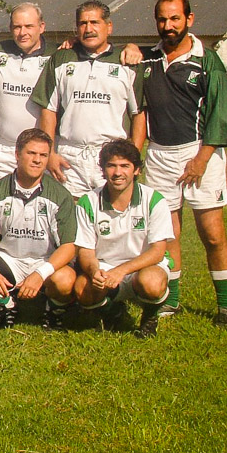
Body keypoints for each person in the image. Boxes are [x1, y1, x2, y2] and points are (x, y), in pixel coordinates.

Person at [135, 0, 227, 326]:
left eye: (175, 19)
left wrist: (202, 159)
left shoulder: (207, 60)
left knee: (212, 235)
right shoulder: (146, 60)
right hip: (160, 156)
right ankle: (172, 302)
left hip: (198, 153)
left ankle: (226, 307)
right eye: (162, 20)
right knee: (169, 235)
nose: (168, 26)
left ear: (189, 20)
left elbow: (220, 115)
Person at [0, 128, 77, 331]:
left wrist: (40, 274)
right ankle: (6, 304)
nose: (37, 160)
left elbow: (68, 247)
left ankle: (53, 310)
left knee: (65, 280)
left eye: (43, 155)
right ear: (17, 155)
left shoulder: (60, 195)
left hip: (45, 260)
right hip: (10, 260)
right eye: (31, 153)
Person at [31, 0, 145, 198]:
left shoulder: (127, 62)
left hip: (112, 154)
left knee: (111, 219)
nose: (88, 29)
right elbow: (48, 110)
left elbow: (139, 114)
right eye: (83, 24)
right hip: (70, 156)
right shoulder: (62, 59)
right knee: (70, 221)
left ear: (109, 26)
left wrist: (132, 157)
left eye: (94, 22)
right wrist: (50, 153)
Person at [73, 140, 174, 339]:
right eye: (111, 165)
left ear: (136, 170)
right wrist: (95, 271)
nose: (118, 173)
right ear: (103, 170)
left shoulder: (154, 200)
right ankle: (113, 313)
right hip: (104, 267)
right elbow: (85, 251)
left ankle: (150, 315)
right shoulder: (87, 202)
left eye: (125, 166)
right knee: (82, 290)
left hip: (142, 268)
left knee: (152, 283)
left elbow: (157, 251)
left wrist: (121, 271)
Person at [0, 3, 54, 183]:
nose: (22, 32)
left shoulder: (57, 55)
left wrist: (131, 47)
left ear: (42, 27)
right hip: (4, 150)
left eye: (29, 26)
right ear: (10, 28)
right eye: (17, 27)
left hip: (40, 150)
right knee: (0, 203)